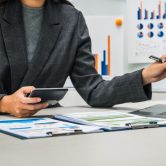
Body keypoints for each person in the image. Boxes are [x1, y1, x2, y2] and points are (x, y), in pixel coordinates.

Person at [0, 0, 166, 118]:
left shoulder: (71, 18)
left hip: (44, 126)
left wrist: (146, 75)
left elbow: (94, 90)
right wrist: (5, 103)